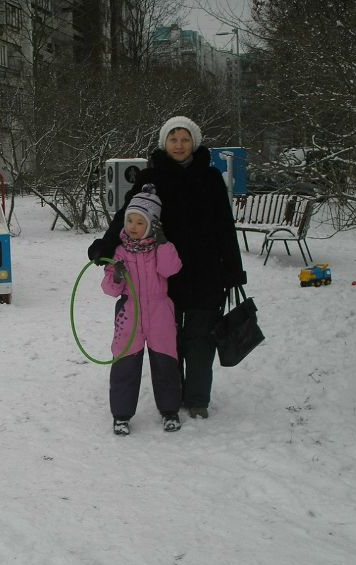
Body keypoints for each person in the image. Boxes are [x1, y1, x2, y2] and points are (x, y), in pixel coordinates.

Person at [89, 116, 246, 419]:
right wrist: (106, 247)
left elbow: (225, 226)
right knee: (169, 341)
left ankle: (198, 398)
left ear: (194, 143)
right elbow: (128, 215)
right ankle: (172, 396)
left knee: (201, 338)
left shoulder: (211, 177)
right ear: (164, 143)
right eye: (173, 138)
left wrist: (233, 271)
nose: (179, 144)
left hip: (206, 272)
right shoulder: (152, 177)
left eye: (185, 139)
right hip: (163, 273)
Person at [102, 184, 183, 436]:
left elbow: (171, 270)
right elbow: (110, 289)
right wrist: (116, 276)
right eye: (130, 221)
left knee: (166, 364)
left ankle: (170, 411)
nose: (133, 227)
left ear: (151, 225)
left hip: (160, 313)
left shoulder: (160, 249)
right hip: (129, 315)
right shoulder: (119, 252)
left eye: (140, 222)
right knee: (125, 365)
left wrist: (164, 244)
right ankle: (121, 415)